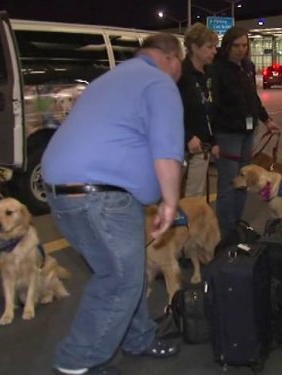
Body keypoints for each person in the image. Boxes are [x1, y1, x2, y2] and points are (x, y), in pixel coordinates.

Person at [41, 33, 184, 375]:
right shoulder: (158, 82)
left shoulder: (111, 78)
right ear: (173, 58)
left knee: (125, 272)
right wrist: (170, 201)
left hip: (62, 191)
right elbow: (167, 151)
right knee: (120, 280)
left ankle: (138, 337)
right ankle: (76, 361)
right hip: (100, 195)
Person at [210, 26, 280, 237]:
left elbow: (253, 99)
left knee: (244, 183)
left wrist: (266, 119)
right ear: (228, 46)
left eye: (245, 46)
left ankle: (236, 226)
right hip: (227, 134)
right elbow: (213, 106)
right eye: (237, 46)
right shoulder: (217, 69)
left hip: (248, 133)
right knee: (228, 184)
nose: (241, 50)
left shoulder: (247, 66)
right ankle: (224, 231)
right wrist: (212, 138)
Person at [178, 23, 218, 198]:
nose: (214, 52)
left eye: (214, 47)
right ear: (194, 47)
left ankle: (189, 226)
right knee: (168, 195)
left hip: (202, 147)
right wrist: (187, 136)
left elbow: (211, 110)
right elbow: (167, 113)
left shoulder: (209, 73)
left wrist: (214, 140)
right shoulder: (179, 74)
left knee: (194, 196)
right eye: (209, 47)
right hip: (178, 147)